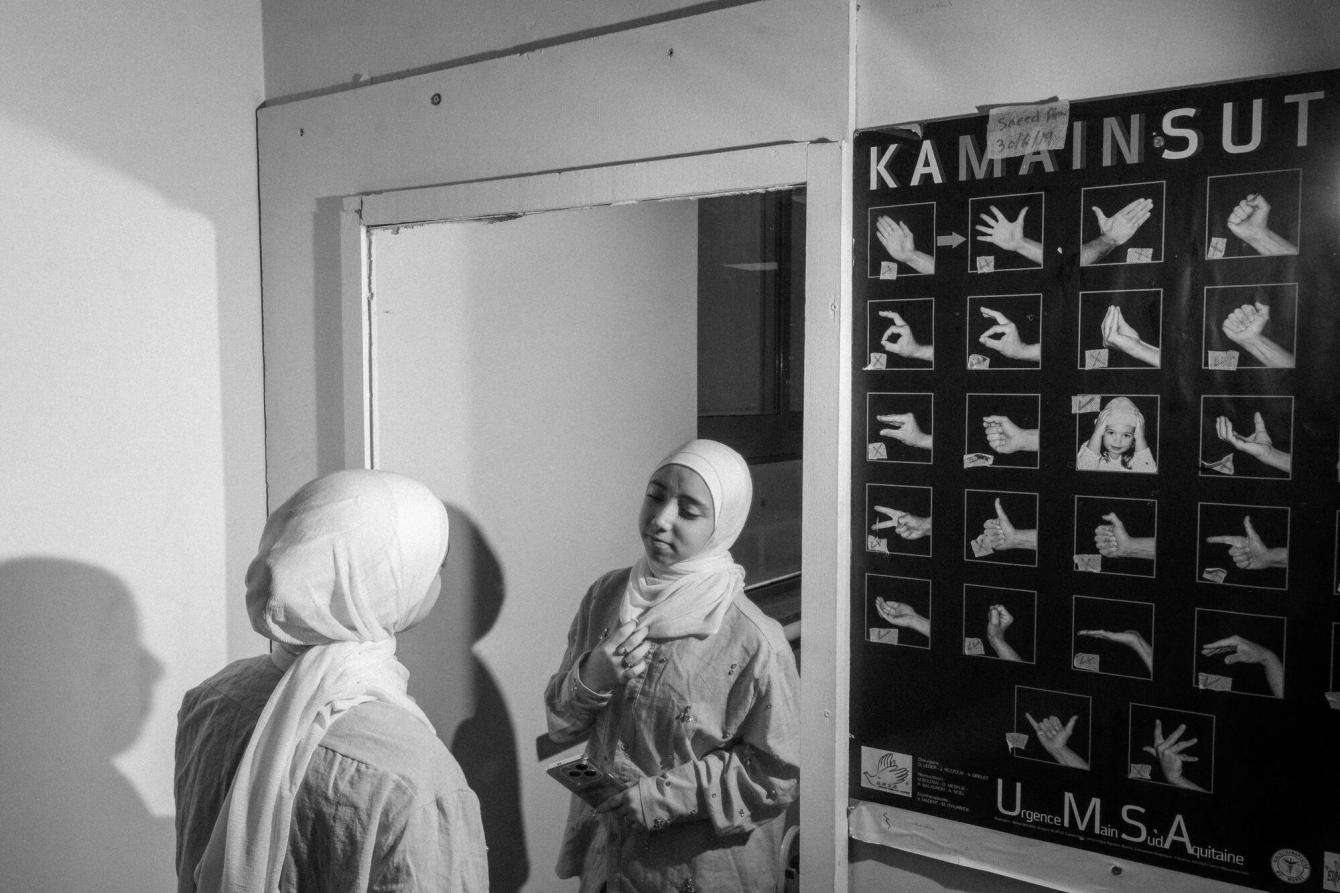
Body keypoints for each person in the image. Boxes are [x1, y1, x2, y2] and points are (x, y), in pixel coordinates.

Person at [174, 470, 488, 892]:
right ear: (385, 582)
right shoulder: (415, 776)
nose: (437, 578)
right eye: (434, 564)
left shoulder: (210, 699)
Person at [544, 439, 799, 892]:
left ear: (722, 524)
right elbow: (562, 726)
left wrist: (661, 798)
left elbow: (778, 774)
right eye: (656, 495)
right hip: (611, 858)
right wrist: (590, 679)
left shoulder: (752, 639)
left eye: (689, 510)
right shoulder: (607, 596)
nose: (661, 520)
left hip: (694, 868)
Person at [1076, 396, 1156, 473]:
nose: (1118, 441)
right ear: (1101, 432)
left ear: (1135, 437)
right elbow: (1083, 467)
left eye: (1126, 435)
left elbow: (1149, 470)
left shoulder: (1137, 457)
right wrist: (1096, 433)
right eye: (1111, 432)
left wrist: (1140, 438)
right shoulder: (1090, 447)